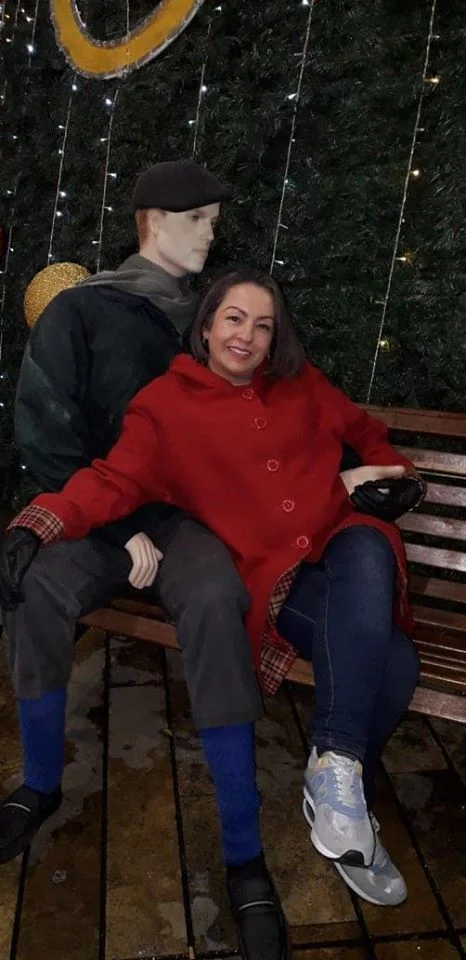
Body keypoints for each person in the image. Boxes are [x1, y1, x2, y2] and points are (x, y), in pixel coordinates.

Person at [0, 269, 425, 955]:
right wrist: (38, 522)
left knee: (373, 544)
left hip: (341, 552)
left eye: (263, 326)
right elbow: (111, 481)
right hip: (279, 580)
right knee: (395, 666)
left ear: (275, 338)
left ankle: (337, 773)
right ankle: (341, 786)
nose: (247, 336)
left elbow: (367, 433)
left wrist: (394, 477)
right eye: (234, 319)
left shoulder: (303, 385)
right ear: (205, 326)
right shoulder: (165, 406)